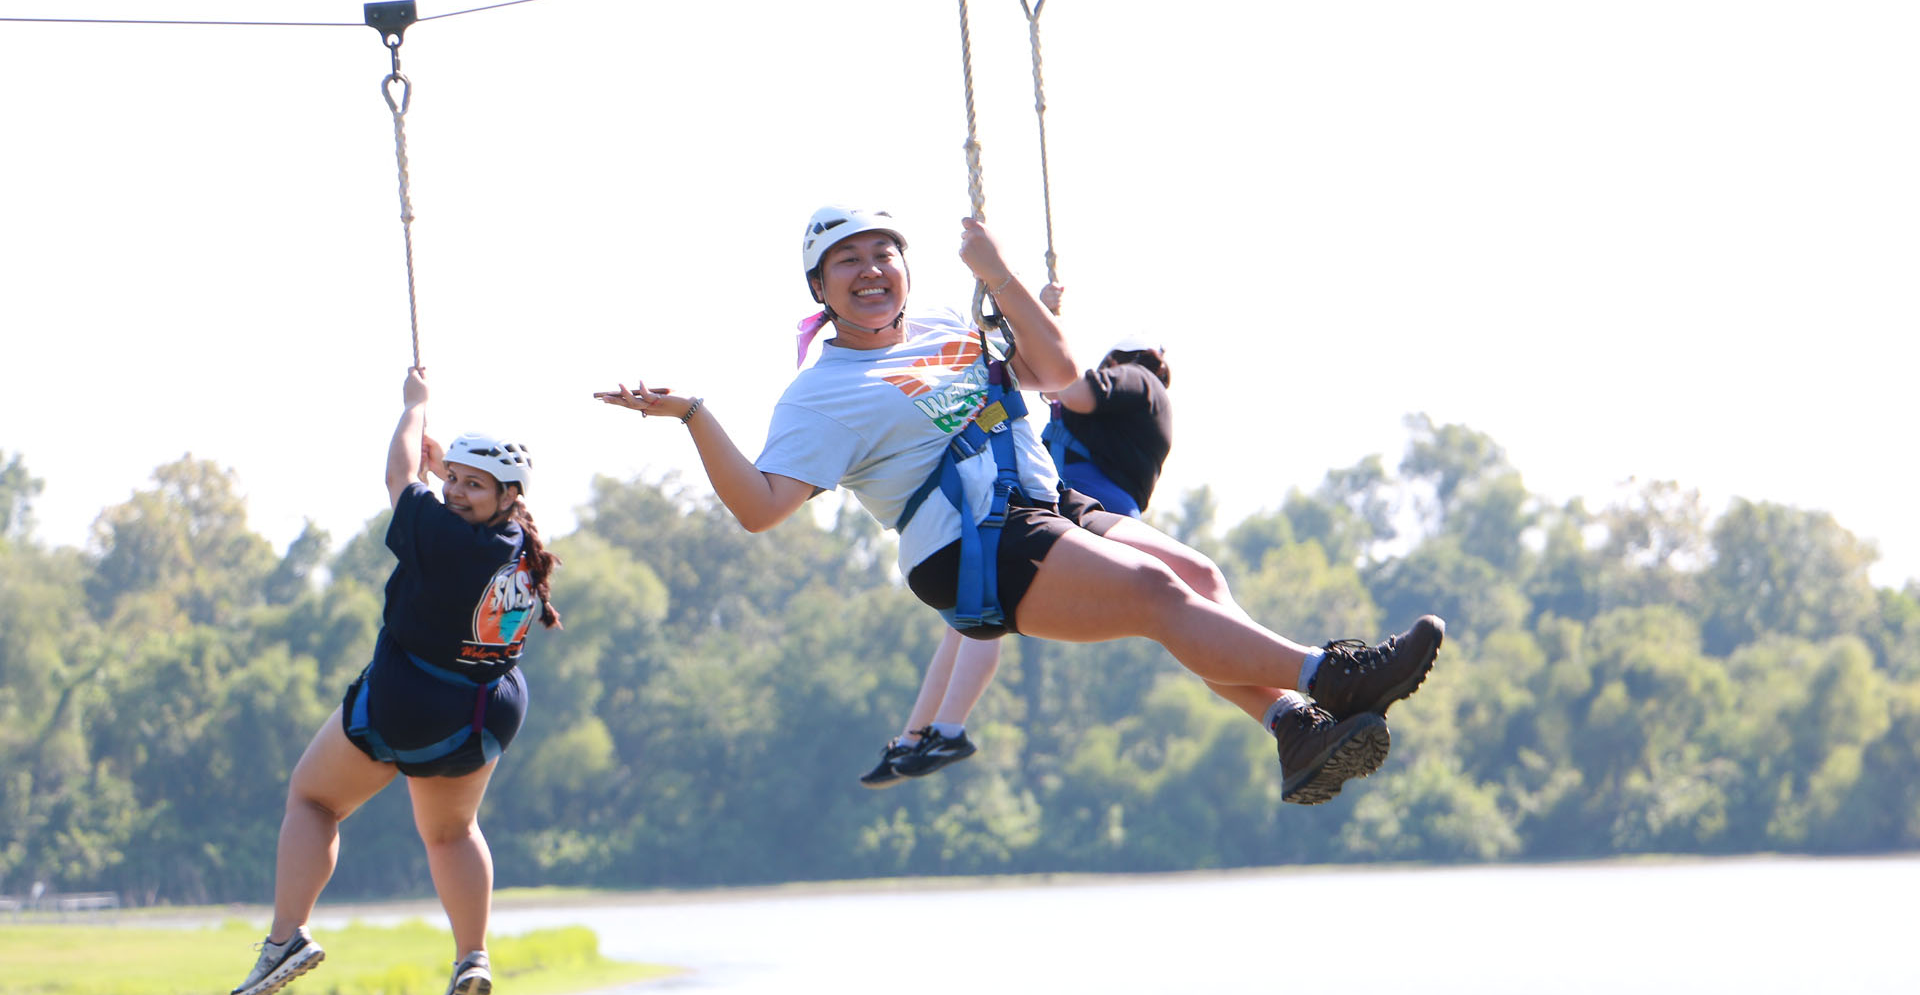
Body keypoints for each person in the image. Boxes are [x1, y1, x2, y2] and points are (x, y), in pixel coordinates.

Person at [595, 205, 1444, 806]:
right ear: (819, 289)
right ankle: (1328, 674)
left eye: (882, 254)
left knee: (1194, 572)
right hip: (969, 545)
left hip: (1043, 500)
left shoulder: (943, 327)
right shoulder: (822, 396)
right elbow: (761, 509)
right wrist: (696, 416)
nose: (870, 271)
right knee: (1160, 600)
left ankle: (1295, 725)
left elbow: (1056, 374)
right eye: (847, 262)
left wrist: (1000, 278)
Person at [229, 366, 560, 995]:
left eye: (474, 486)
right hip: (487, 714)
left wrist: (414, 407)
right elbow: (444, 493)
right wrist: (455, 471)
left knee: (313, 798)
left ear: (507, 494)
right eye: (456, 481)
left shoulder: (444, 538)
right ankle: (472, 956)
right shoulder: (521, 544)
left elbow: (397, 479)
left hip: (415, 703)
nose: (459, 493)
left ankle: (285, 937)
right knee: (451, 831)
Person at [860, 305, 1177, 789]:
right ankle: (920, 734)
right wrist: (1043, 318)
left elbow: (1067, 386)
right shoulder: (1119, 414)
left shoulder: (1136, 381)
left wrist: (1041, 329)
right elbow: (1050, 385)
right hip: (1056, 514)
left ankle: (943, 729)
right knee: (967, 614)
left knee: (980, 618)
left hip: (1085, 516)